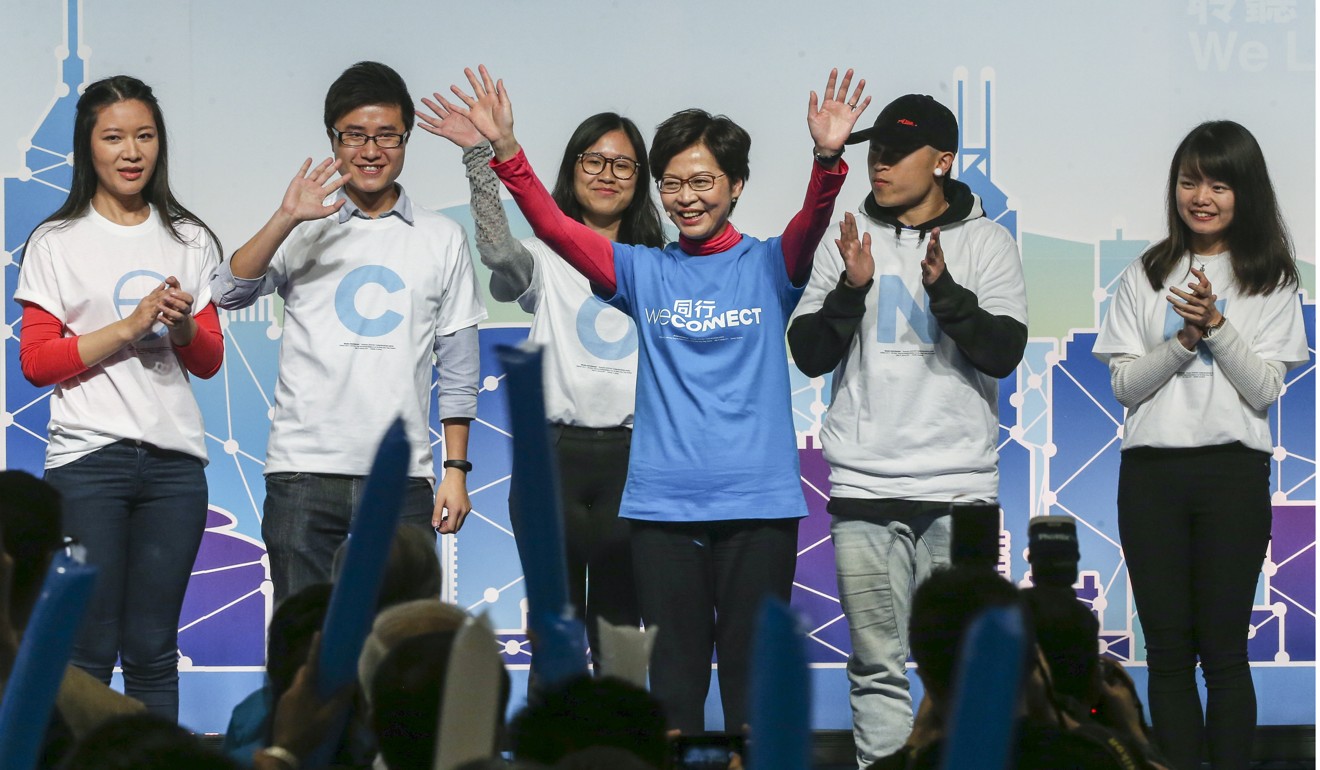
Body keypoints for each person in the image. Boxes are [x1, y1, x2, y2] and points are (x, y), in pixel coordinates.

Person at [446, 64, 870, 732]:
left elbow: (813, 219)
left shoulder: (768, 265)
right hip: (661, 510)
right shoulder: (645, 269)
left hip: (756, 506)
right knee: (671, 685)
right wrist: (506, 154)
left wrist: (827, 159)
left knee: (752, 684)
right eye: (672, 183)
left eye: (702, 181)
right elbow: (557, 232)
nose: (686, 198)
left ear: (734, 186)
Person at [784, 93, 1027, 765]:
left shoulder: (988, 242)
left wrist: (946, 292)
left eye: (897, 152)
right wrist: (851, 289)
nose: (879, 163)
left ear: (943, 162)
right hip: (865, 487)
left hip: (961, 489)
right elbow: (808, 354)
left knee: (969, 674)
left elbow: (1002, 351)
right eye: (875, 150)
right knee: (876, 666)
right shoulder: (848, 235)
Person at [211, 61, 487, 603]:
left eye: (387, 135)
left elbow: (458, 365)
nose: (370, 150)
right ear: (333, 140)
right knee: (304, 655)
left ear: (406, 140)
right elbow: (228, 292)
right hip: (303, 473)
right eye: (355, 135)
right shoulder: (301, 228)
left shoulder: (442, 237)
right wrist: (285, 217)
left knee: (401, 657)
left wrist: (455, 469)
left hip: (402, 479)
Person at [1093, 120, 1308, 770]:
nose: (1202, 195)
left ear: (1246, 192)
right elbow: (1127, 387)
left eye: (1219, 183)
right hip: (1152, 474)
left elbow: (1264, 388)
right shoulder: (1146, 273)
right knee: (1165, 652)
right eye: (1191, 181)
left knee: (1223, 652)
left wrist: (1216, 325)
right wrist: (1183, 341)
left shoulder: (1269, 278)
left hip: (1231, 476)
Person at [417, 104, 666, 662]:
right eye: (593, 160)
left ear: (641, 179)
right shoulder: (545, 257)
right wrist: (480, 157)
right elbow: (497, 252)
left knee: (622, 632)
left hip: (635, 460)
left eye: (622, 165)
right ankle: (553, 749)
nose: (606, 174)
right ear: (572, 169)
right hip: (551, 461)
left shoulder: (658, 265)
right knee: (555, 633)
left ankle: (623, 747)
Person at [15, 75, 224, 720]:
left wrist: (182, 324)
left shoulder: (189, 239)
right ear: (89, 148)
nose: (131, 151)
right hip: (88, 466)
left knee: (154, 650)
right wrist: (129, 328)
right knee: (89, 649)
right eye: (114, 137)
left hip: (174, 469)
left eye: (144, 136)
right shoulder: (56, 241)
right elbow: (36, 361)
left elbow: (209, 359)